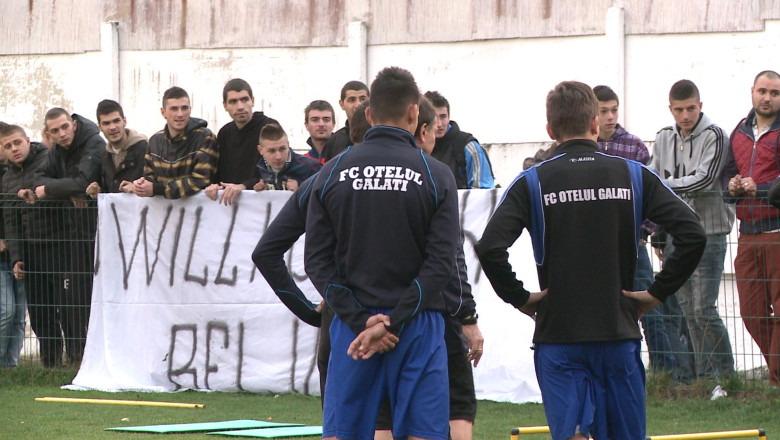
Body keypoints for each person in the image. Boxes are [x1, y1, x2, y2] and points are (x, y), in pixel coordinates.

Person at [476, 81, 706, 440]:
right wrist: (657, 292)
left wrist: (520, 298)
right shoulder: (633, 175)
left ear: (550, 131)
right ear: (596, 125)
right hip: (618, 333)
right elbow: (693, 233)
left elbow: (489, 247)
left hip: (559, 338)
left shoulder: (531, 182)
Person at [305, 66, 458, 440]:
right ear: (414, 114)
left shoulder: (330, 172)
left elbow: (316, 262)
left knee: (347, 432)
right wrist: (393, 322)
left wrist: (363, 322)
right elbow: (441, 264)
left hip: (353, 326)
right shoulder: (436, 174)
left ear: (369, 114)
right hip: (417, 324)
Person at [650, 79, 736, 380]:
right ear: (670, 109)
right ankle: (705, 378)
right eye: (679, 110)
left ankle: (725, 375)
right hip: (677, 232)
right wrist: (660, 230)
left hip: (710, 230)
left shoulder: (716, 135)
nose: (685, 115)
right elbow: (653, 179)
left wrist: (665, 185)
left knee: (704, 309)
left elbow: (704, 180)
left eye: (691, 109)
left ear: (700, 105)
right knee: (687, 310)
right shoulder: (662, 138)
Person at [593, 84, 677, 374]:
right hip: (596, 242)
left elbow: (654, 193)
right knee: (601, 305)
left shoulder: (634, 146)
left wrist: (643, 232)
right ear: (592, 113)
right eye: (603, 111)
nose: (610, 116)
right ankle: (610, 367)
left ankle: (665, 373)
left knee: (649, 306)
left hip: (634, 241)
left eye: (614, 110)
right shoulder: (584, 148)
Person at [722, 70, 780, 386]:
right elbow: (725, 177)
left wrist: (762, 188)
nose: (767, 98)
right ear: (752, 92)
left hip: (777, 232)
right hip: (747, 234)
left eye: (774, 92)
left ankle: (776, 379)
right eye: (763, 91)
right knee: (751, 312)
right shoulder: (739, 133)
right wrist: (731, 187)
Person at [35, 108, 105, 365]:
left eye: (65, 127)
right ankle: (79, 359)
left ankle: (96, 357)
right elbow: (37, 178)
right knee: (74, 301)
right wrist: (69, 190)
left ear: (74, 124)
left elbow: (83, 180)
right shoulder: (56, 150)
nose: (62, 134)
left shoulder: (94, 142)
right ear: (48, 133)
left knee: (95, 299)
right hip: (74, 234)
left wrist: (54, 189)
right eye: (55, 131)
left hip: (99, 233)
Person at [134, 86, 218, 199]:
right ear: (163, 112)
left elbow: (200, 181)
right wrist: (140, 186)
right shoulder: (154, 141)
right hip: (164, 214)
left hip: (198, 213)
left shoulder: (205, 137)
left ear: (190, 109)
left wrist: (157, 189)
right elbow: (149, 179)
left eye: (184, 108)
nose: (180, 114)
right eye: (174, 109)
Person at [206, 78, 278, 205]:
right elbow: (219, 174)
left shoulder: (269, 127)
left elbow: (280, 169)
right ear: (225, 105)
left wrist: (244, 186)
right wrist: (214, 187)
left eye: (244, 100)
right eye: (233, 101)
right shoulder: (224, 133)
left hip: (262, 205)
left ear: (253, 101)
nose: (240, 106)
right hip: (229, 207)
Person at [423, 90, 495, 189]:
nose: (439, 124)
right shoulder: (415, 146)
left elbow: (483, 195)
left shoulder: (469, 147)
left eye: (443, 117)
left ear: (449, 117)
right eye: (434, 118)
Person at [0, 124, 27, 368]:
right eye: (5, 145)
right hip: (2, 258)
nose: (7, 148)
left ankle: (12, 367)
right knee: (6, 311)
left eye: (8, 144)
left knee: (19, 316)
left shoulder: (16, 172)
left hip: (19, 254)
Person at [86, 100, 147, 197]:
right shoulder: (104, 156)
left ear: (124, 121)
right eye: (106, 123)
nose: (112, 127)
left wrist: (137, 188)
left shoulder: (145, 149)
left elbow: (155, 184)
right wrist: (99, 192)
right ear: (99, 127)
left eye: (116, 121)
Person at [255, 123, 320, 192]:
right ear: (260, 150)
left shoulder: (311, 167)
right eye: (272, 151)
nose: (278, 157)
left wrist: (300, 188)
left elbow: (325, 195)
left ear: (288, 145)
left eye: (282, 149)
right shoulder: (260, 168)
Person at [324, 81, 370, 161]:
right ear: (341, 104)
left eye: (363, 99)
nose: (358, 104)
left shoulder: (380, 135)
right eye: (352, 100)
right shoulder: (335, 141)